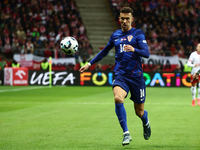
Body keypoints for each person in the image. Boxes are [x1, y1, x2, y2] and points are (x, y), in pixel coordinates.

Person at [79, 7, 151, 146]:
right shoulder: (115, 35)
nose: (124, 21)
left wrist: (134, 49)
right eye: (122, 18)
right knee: (118, 98)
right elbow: (104, 52)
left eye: (127, 19)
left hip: (136, 77)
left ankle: (145, 120)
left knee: (139, 112)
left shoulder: (138, 34)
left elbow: (146, 53)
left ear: (132, 19)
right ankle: (126, 133)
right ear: (119, 19)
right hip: (120, 74)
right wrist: (89, 64)